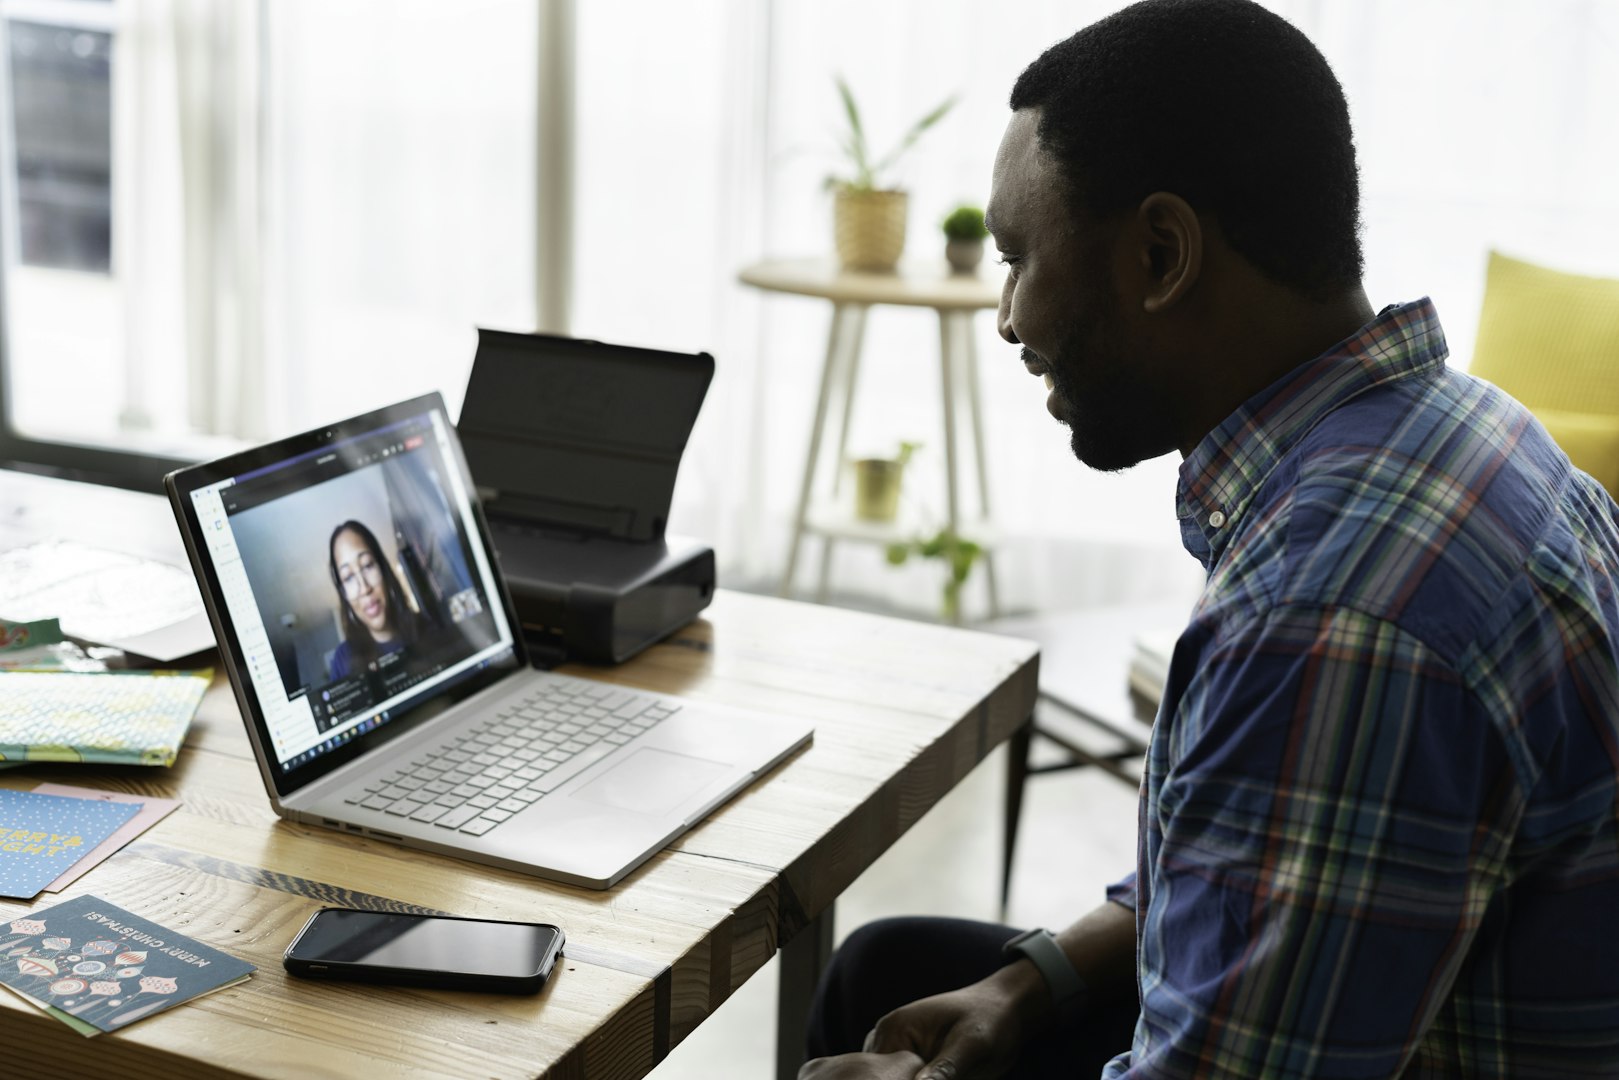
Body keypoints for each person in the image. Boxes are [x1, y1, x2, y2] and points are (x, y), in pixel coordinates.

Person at [799, 1, 1619, 1078]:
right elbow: (1257, 863)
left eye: (1017, 257)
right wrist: (1027, 981)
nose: (1005, 316)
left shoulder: (1328, 615)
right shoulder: (1461, 431)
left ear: (1158, 254)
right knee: (889, 969)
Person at [326, 519, 431, 680]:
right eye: (348, 577)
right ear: (344, 594)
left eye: (368, 565)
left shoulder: (425, 626)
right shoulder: (343, 660)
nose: (364, 588)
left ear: (383, 568)